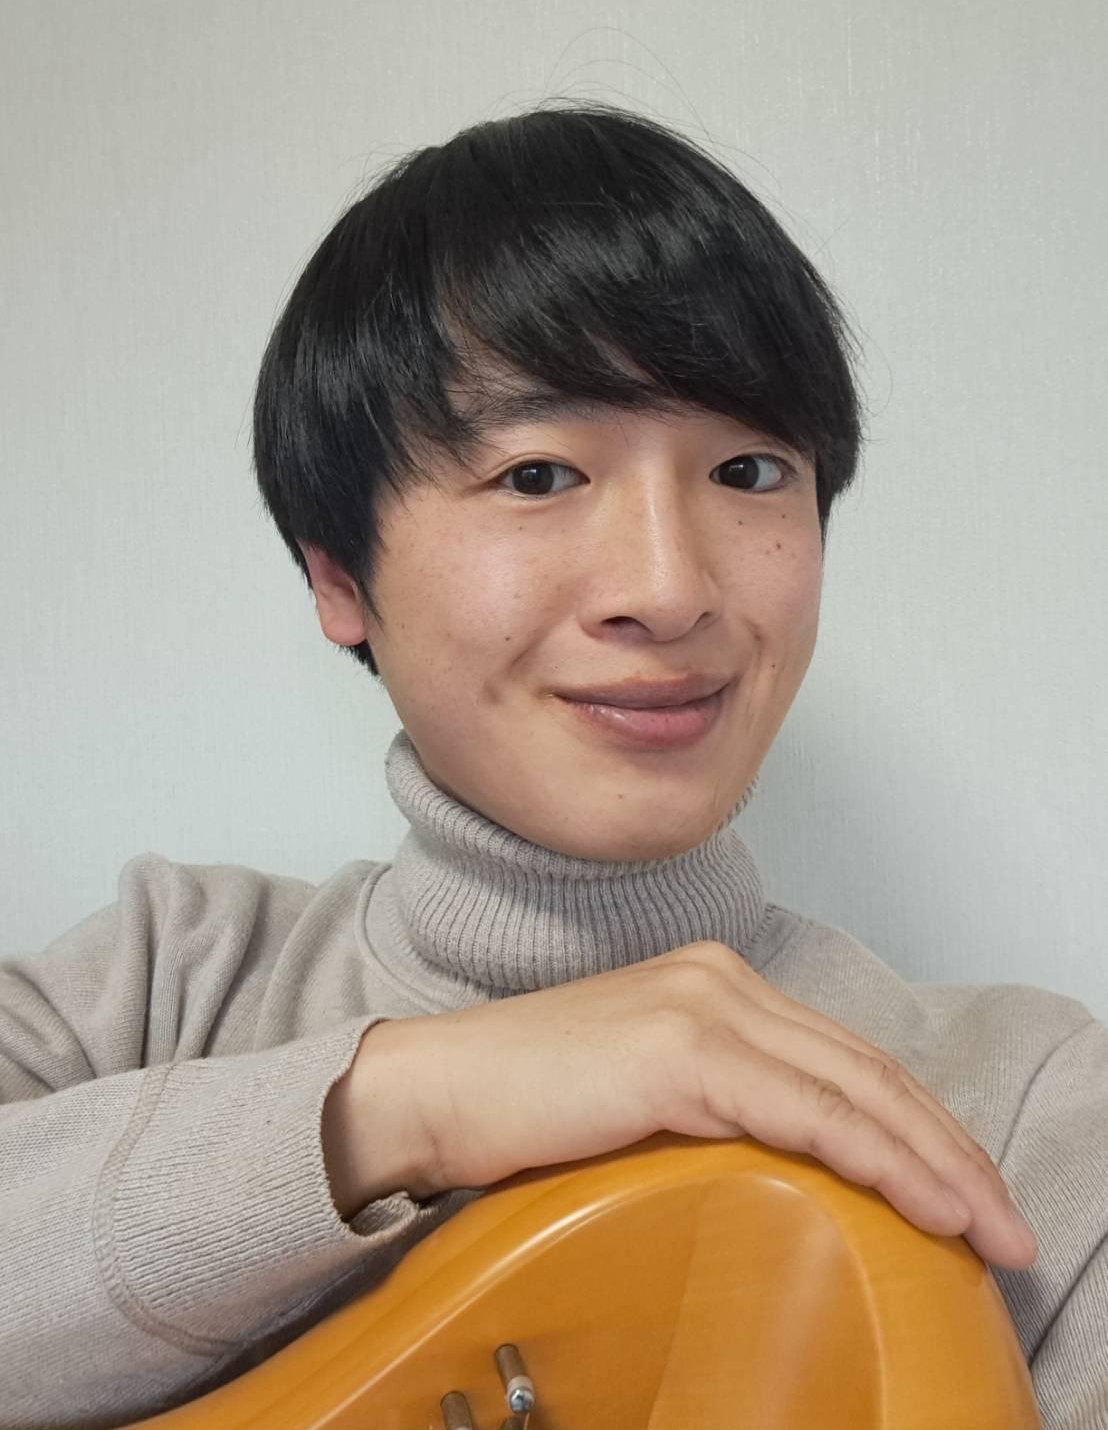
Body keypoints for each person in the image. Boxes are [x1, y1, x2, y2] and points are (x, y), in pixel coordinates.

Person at [1, 102, 1103, 1430]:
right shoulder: (158, 984)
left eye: (749, 468)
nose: (669, 588)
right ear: (339, 577)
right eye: (537, 475)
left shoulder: (1032, 1105)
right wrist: (410, 1100)